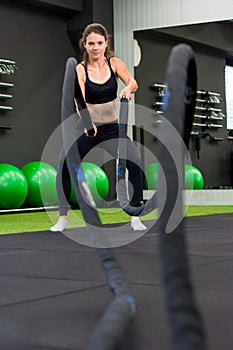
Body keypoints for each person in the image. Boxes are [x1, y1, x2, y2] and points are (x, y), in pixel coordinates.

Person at [50, 23, 146, 232]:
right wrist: (86, 122)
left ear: (106, 44)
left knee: (135, 163)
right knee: (64, 165)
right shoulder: (80, 69)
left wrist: (128, 88)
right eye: (91, 43)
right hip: (87, 127)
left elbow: (133, 81)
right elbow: (79, 99)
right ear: (84, 45)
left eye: (99, 43)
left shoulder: (114, 64)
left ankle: (135, 215)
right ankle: (63, 218)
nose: (95, 47)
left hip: (112, 128)